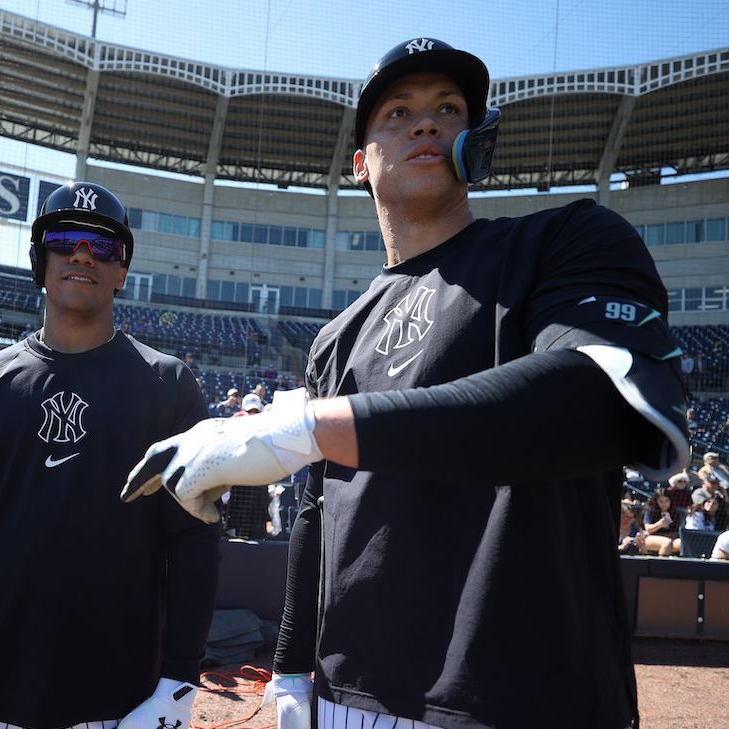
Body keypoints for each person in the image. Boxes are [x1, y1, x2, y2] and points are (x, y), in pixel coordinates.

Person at [122, 40, 688, 729]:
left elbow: (591, 402)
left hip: (529, 697)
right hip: (349, 696)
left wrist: (298, 426)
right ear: (360, 163)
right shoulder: (335, 337)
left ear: (478, 141)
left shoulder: (564, 240)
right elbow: (316, 515)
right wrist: (294, 665)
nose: (425, 123)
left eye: (448, 109)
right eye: (397, 112)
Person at [0, 182, 220, 729]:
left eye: (103, 246)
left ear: (123, 271)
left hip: (118, 694)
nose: (83, 253)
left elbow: (194, 542)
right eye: (64, 239)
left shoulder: (169, 385)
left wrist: (178, 684)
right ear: (41, 260)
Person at [642, 489, 681, 556]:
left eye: (666, 501)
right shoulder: (650, 511)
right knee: (667, 543)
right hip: (653, 536)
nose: (664, 504)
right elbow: (648, 529)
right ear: (656, 501)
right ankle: (661, 565)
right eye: (661, 501)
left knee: (682, 543)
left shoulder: (674, 512)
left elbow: (677, 530)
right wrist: (660, 524)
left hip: (671, 537)